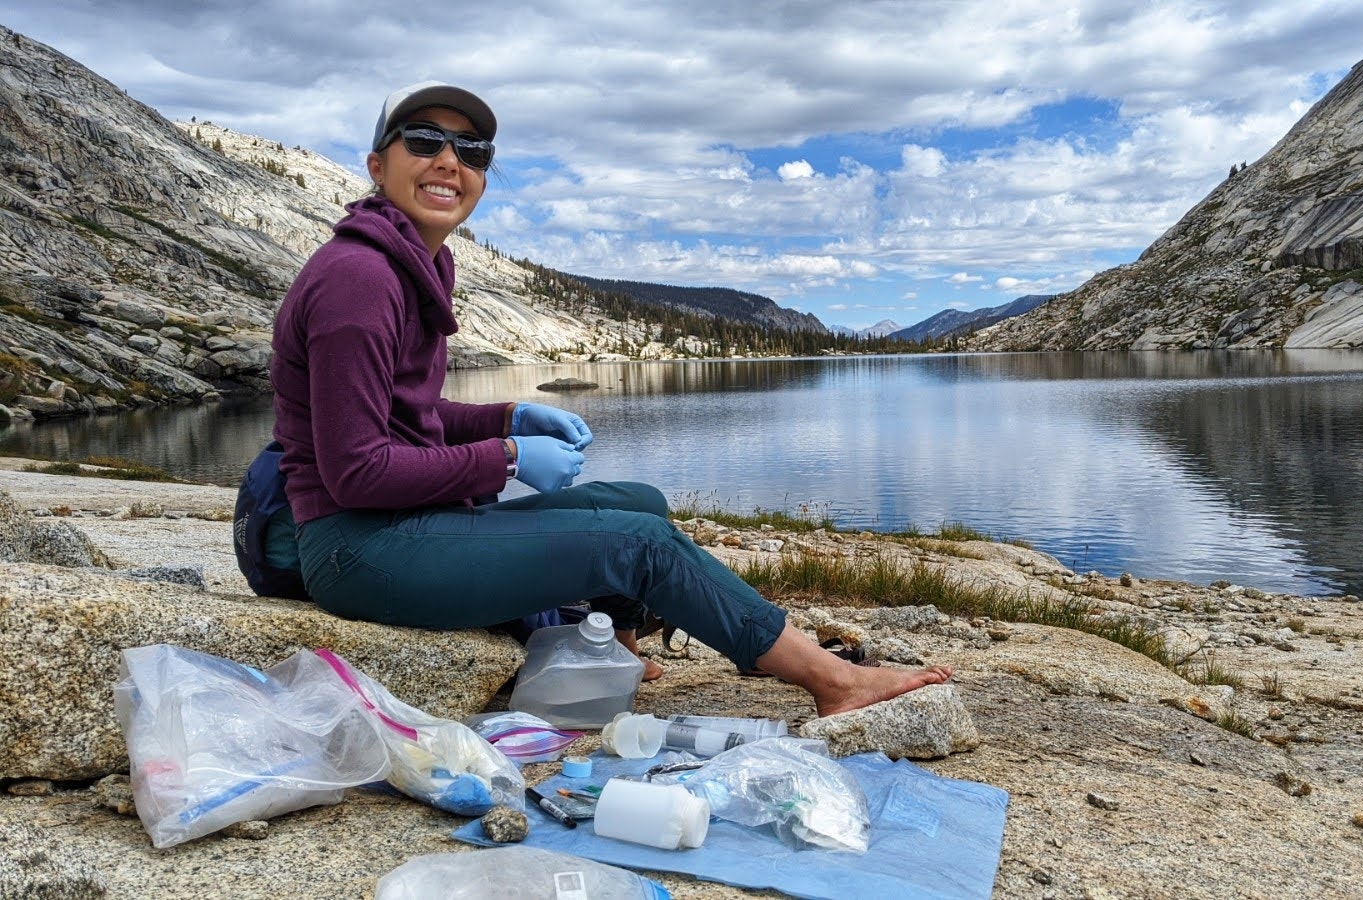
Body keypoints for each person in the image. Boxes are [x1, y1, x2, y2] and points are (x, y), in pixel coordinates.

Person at [269, 81, 951, 717]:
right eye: (424, 141)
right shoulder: (360, 277)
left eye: (471, 150)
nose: (450, 160)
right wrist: (505, 456)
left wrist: (508, 415)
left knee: (639, 503)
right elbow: (356, 470)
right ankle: (834, 682)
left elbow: (406, 414)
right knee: (640, 543)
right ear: (376, 166)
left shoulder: (413, 262)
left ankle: (614, 654)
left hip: (411, 525)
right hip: (361, 551)